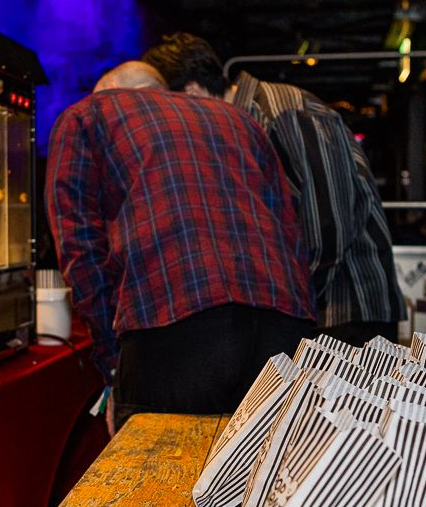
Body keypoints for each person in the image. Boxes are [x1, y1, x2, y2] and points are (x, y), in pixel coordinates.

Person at [46, 61, 315, 433]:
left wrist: (113, 365)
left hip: (172, 323)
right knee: (266, 464)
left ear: (110, 89)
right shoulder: (239, 119)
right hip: (281, 322)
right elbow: (291, 225)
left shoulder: (87, 114)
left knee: (159, 463)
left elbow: (80, 248)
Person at [143, 32, 407, 346]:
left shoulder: (283, 113)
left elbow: (328, 224)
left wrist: (286, 305)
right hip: (315, 312)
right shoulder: (240, 125)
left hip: (345, 312)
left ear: (193, 92)